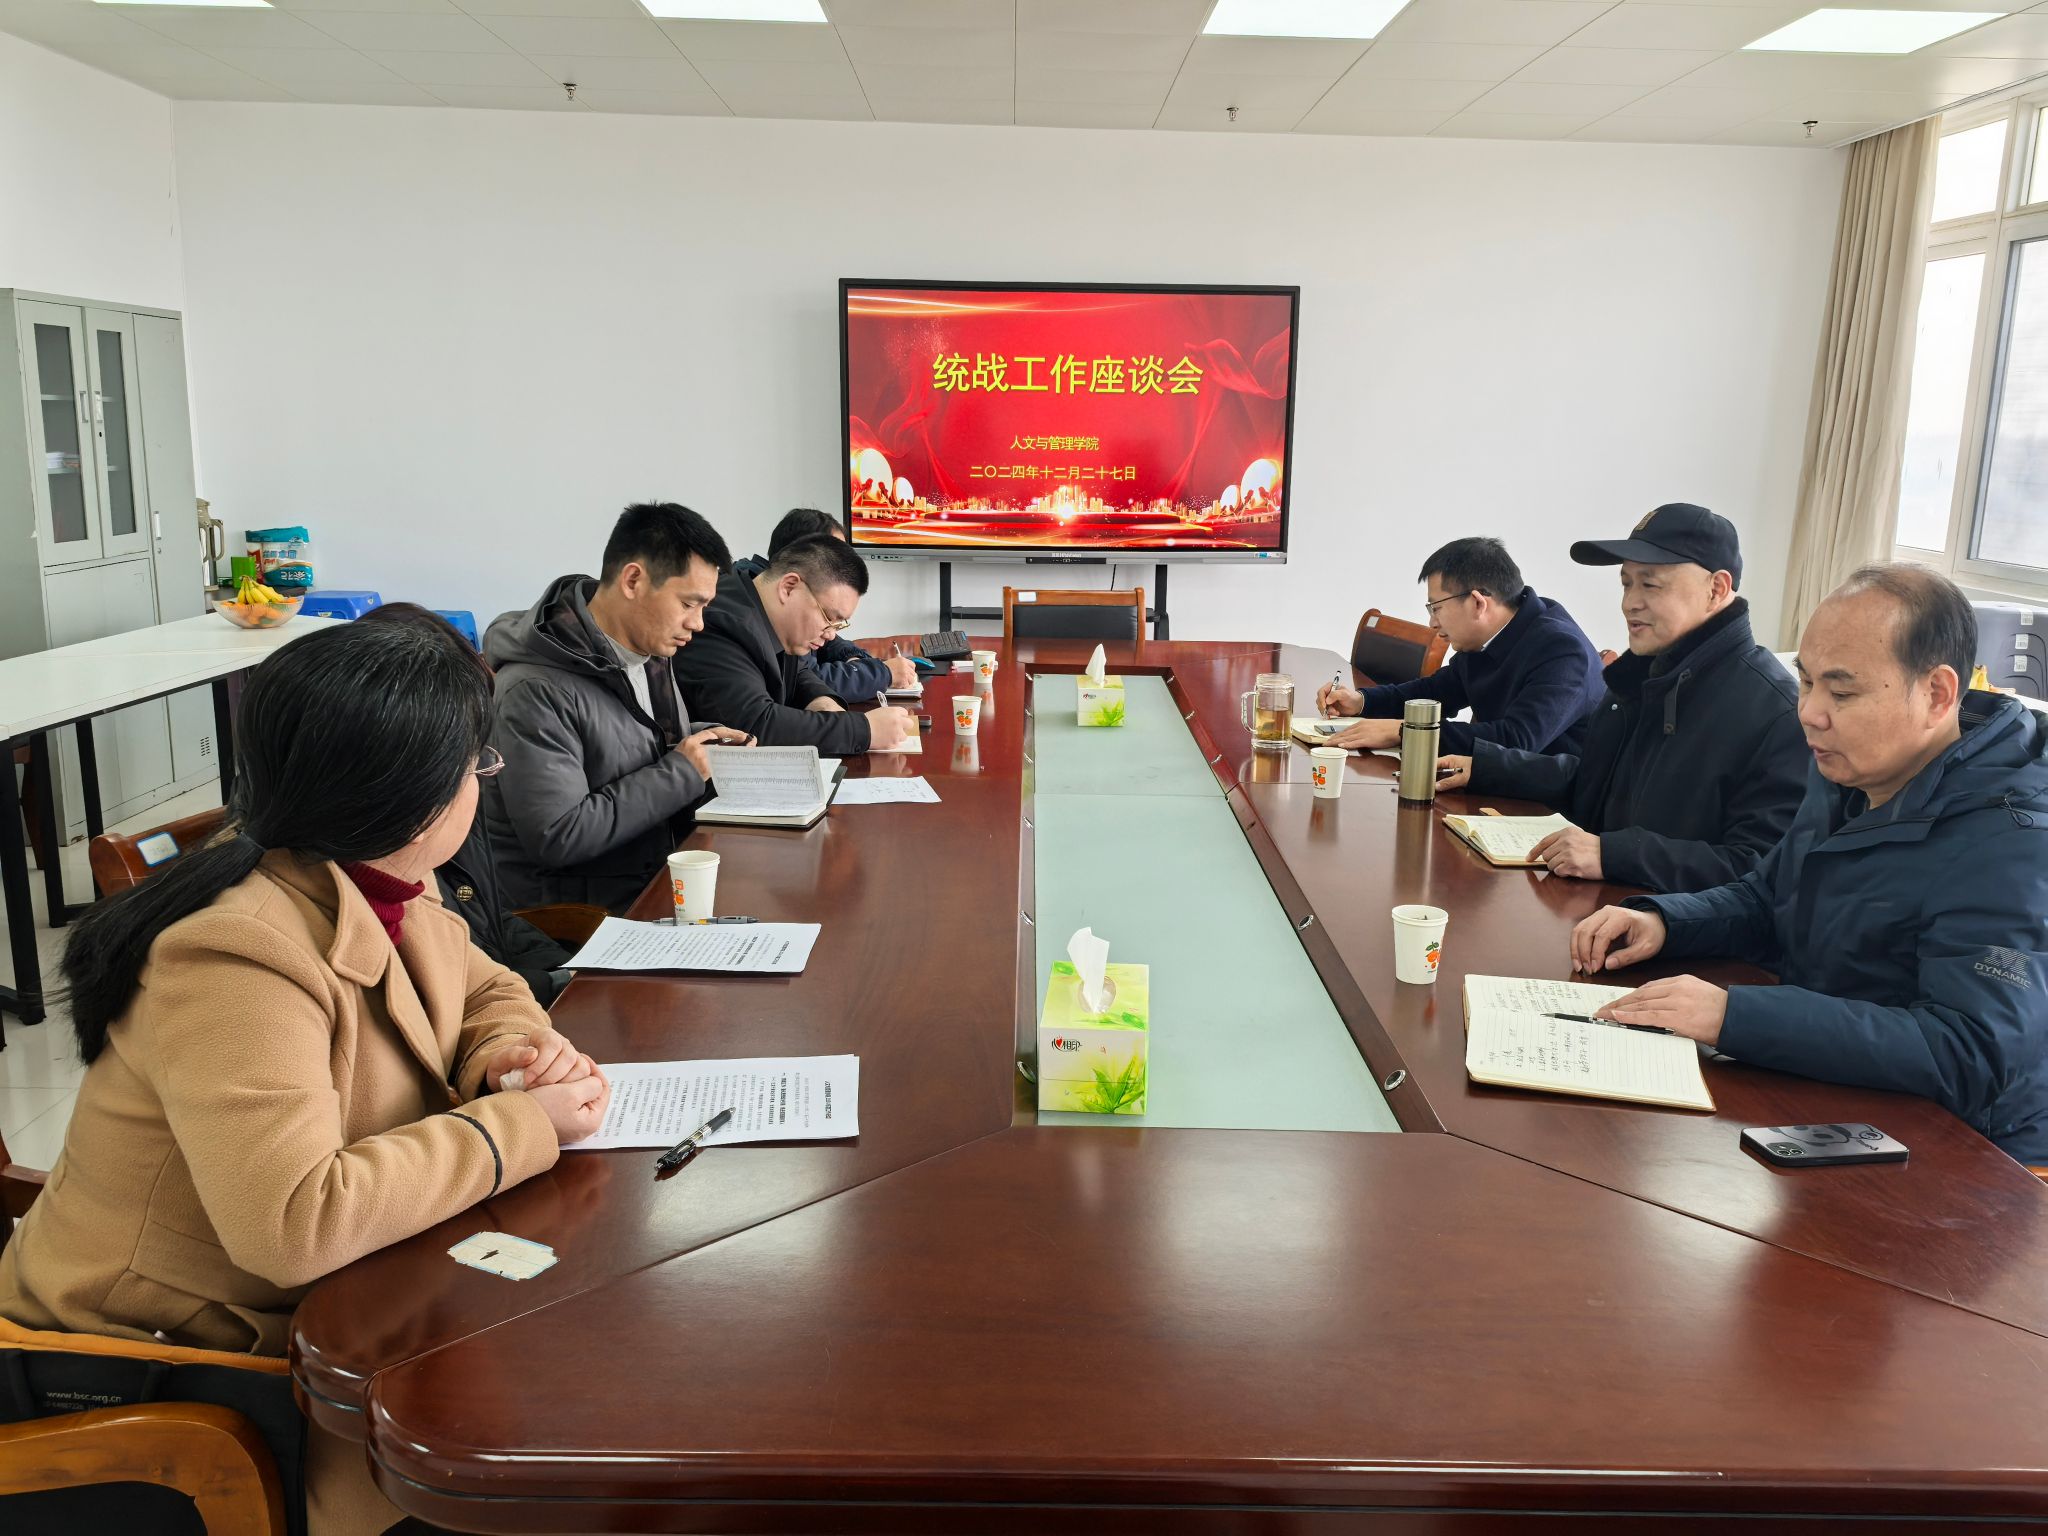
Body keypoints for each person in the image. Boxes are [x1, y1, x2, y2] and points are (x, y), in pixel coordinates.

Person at [0, 617, 613, 1536]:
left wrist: (511, 1052)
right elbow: (294, 1223)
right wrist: (525, 1126)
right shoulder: (234, 953)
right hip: (154, 1378)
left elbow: (484, 985)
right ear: (410, 797)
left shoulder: (376, 877)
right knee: (532, 1464)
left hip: (325, 1317)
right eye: (474, 765)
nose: (481, 782)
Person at [1572, 564, 2048, 1161]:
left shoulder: (2011, 840)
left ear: (1936, 695)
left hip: (1971, 1157)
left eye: (1841, 693)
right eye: (1806, 682)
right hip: (1834, 1095)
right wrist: (1666, 921)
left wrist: (1735, 1016)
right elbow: (1767, 896)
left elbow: (1967, 1053)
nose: (1810, 713)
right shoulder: (1850, 775)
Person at [1434, 504, 1806, 892]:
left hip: (1662, 922)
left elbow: (1762, 869)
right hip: (1596, 907)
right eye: (1626, 584)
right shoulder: (1642, 677)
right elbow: (1597, 783)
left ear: (1716, 589)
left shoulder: (1777, 713)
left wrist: (1613, 854)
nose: (1630, 603)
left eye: (1650, 585)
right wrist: (1487, 767)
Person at [483, 502, 756, 912]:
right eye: (688, 604)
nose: (698, 623)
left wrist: (703, 741)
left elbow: (626, 746)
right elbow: (559, 835)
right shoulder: (534, 689)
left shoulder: (647, 652)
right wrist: (684, 769)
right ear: (633, 580)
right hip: (580, 912)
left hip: (654, 871)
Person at [357, 603, 571, 1004]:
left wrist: (564, 970)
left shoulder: (448, 815)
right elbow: (450, 991)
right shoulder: (394, 851)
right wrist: (557, 983)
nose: (480, 771)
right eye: (470, 758)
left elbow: (490, 922)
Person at [1316, 537, 1605, 755]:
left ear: (1478, 603)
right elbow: (1436, 692)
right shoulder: (1490, 636)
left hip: (1550, 806)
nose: (1432, 623)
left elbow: (1517, 740)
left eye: (1436, 608)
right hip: (1500, 783)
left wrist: (1406, 732)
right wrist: (1362, 701)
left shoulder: (1562, 651)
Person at [671, 532, 915, 753]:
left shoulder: (767, 613)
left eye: (839, 624)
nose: (831, 634)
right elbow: (753, 726)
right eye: (829, 618)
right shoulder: (721, 622)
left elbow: (798, 671)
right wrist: (863, 730)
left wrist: (822, 701)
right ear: (789, 587)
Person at [735, 509, 919, 703]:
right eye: (836, 555)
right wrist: (882, 674)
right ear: (806, 555)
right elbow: (803, 682)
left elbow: (827, 645)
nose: (845, 564)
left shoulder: (774, 596)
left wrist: (854, 658)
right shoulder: (744, 614)